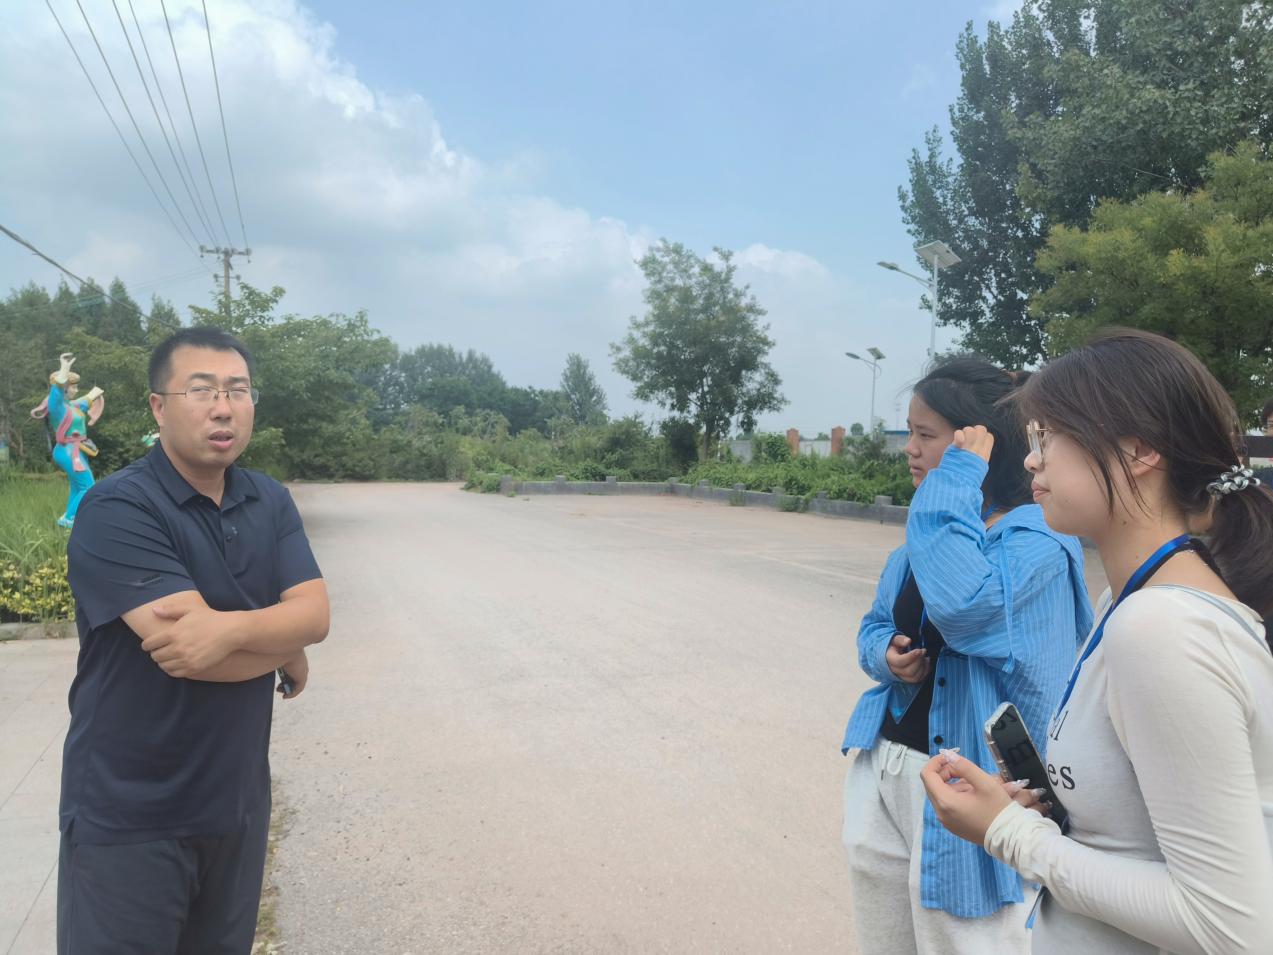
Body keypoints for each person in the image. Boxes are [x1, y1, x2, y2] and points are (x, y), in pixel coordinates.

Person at [921, 328, 1273, 954]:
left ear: (1138, 451)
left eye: (1047, 438)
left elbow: (1230, 928)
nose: (1031, 460)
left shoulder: (1162, 628)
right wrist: (1054, 815)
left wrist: (1008, 833)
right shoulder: (1130, 602)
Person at [58, 326, 331, 955]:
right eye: (201, 390)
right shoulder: (118, 506)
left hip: (234, 804)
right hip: (130, 814)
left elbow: (315, 614)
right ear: (158, 406)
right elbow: (189, 655)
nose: (223, 406)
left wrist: (240, 630)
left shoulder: (269, 499)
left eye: (238, 390)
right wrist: (280, 642)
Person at [840, 357, 1093, 954]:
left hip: (972, 778)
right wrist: (885, 654)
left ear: (980, 445)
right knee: (885, 937)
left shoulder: (1037, 542)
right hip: (889, 765)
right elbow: (874, 624)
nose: (910, 449)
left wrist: (955, 477)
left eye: (927, 436)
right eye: (911, 432)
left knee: (966, 936)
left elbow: (962, 607)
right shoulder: (928, 535)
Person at [29, 352, 104, 528]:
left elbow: (86, 400)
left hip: (79, 450)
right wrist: (64, 367)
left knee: (78, 487)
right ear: (64, 388)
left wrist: (95, 392)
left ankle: (69, 518)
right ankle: (69, 519)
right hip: (69, 451)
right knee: (88, 487)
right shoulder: (57, 407)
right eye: (73, 387)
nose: (76, 390)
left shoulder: (73, 406)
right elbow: (56, 389)